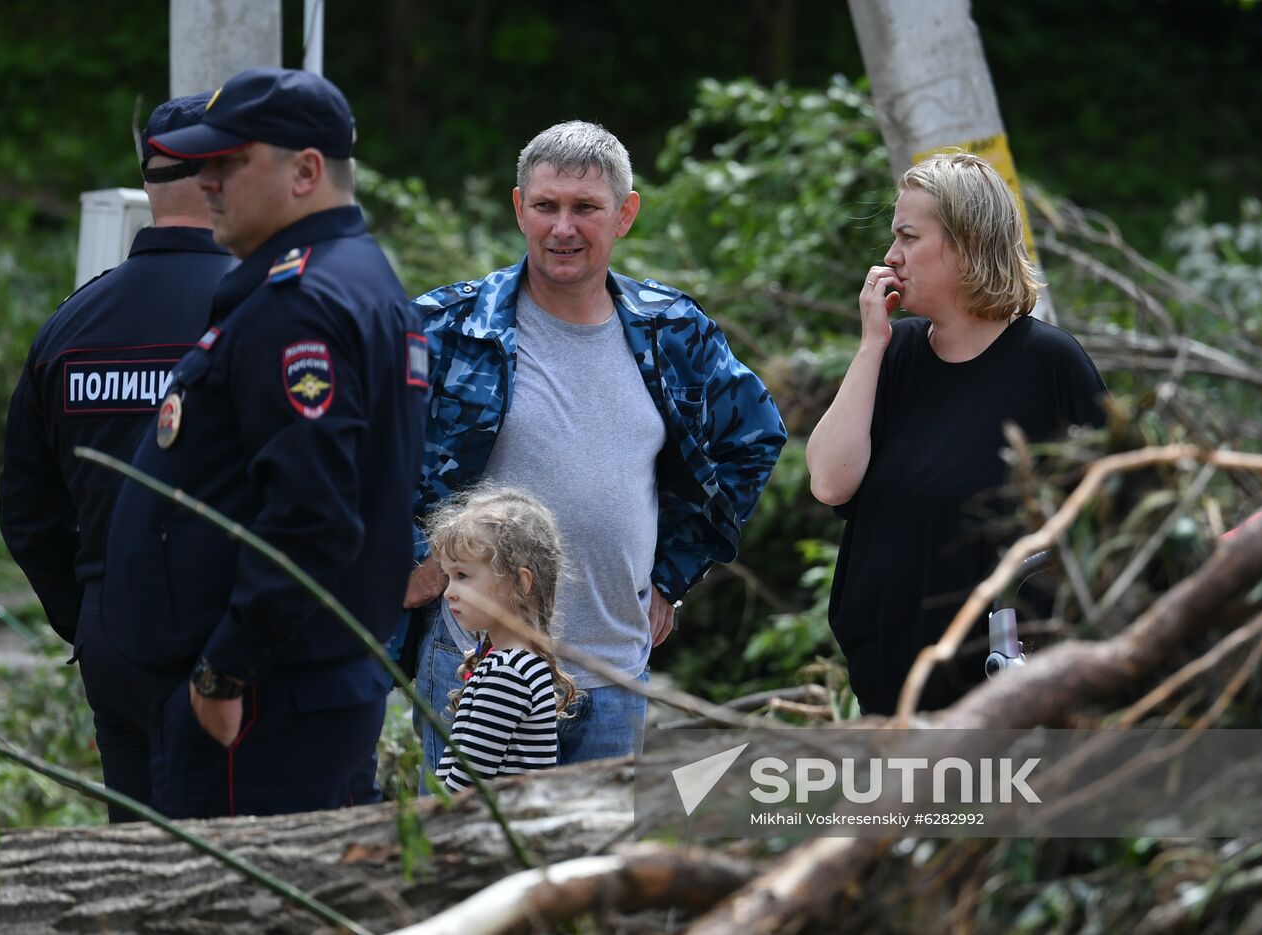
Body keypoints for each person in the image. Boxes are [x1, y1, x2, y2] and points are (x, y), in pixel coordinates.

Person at [404, 121, 787, 777]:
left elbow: (754, 438)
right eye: (546, 205)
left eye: (586, 208)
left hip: (612, 666)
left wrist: (673, 569)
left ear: (625, 214)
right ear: (519, 208)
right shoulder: (448, 326)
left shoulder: (673, 332)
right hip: (479, 664)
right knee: (470, 861)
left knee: (595, 870)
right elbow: (367, 453)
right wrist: (420, 557)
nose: (563, 228)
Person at [101, 67, 427, 819]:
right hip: (298, 690)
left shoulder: (301, 303)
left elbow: (312, 518)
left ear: (307, 171)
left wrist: (225, 671)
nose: (205, 180)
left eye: (229, 161)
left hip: (264, 706)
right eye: (201, 162)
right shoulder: (357, 277)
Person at [805, 151, 1107, 716]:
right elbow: (829, 482)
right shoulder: (895, 356)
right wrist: (872, 345)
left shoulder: (1050, 364)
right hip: (888, 694)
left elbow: (1110, 520)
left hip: (1003, 701)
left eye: (909, 237)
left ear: (967, 244)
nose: (891, 257)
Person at [0, 92, 230, 821]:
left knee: (137, 862)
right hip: (231, 652)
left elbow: (28, 512)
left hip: (115, 644)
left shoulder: (70, 326)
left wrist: (92, 612)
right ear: (223, 175)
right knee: (251, 871)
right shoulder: (268, 313)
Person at [427, 488, 577, 792]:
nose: (449, 592)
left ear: (520, 583)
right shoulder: (514, 663)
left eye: (463, 576)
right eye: (448, 576)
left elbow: (466, 788)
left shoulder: (507, 673)